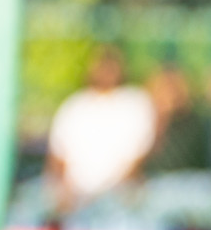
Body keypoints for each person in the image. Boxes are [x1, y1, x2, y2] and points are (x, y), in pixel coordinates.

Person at [46, 46, 156, 218]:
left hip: (119, 197)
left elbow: (138, 158)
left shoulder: (134, 103)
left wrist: (108, 192)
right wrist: (62, 190)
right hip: (75, 196)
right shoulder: (75, 105)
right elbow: (57, 156)